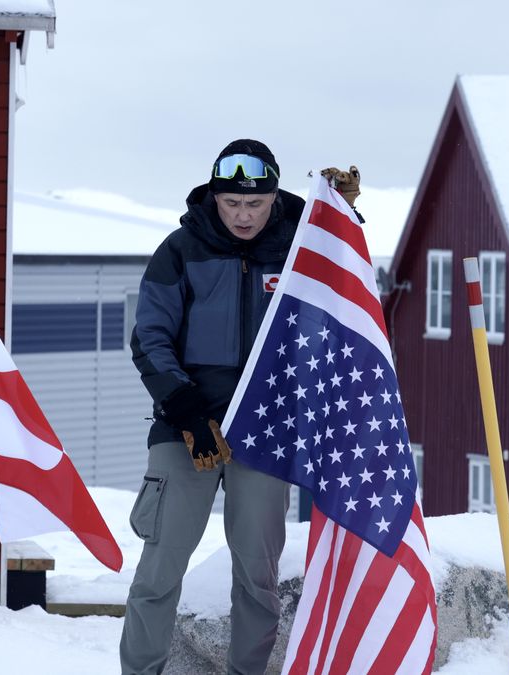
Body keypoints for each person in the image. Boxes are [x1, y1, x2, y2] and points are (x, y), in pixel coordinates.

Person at [120, 139, 360, 675]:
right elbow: (149, 339)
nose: (244, 215)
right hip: (185, 427)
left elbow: (347, 281)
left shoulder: (301, 249)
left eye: (257, 203)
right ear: (214, 197)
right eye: (232, 204)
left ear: (275, 197)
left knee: (258, 576)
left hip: (265, 431)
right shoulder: (181, 250)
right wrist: (186, 412)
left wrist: (343, 216)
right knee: (160, 570)